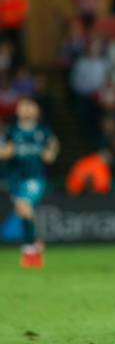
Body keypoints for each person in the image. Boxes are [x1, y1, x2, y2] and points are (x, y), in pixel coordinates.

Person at [0, 98, 59, 268]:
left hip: (35, 179)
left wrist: (51, 152)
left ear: (36, 111)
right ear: (17, 111)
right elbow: (5, 152)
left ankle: (29, 250)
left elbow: (53, 146)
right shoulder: (12, 132)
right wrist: (6, 151)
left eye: (29, 107)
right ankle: (35, 244)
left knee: (24, 206)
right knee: (24, 211)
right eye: (23, 107)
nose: (26, 110)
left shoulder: (43, 131)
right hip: (16, 180)